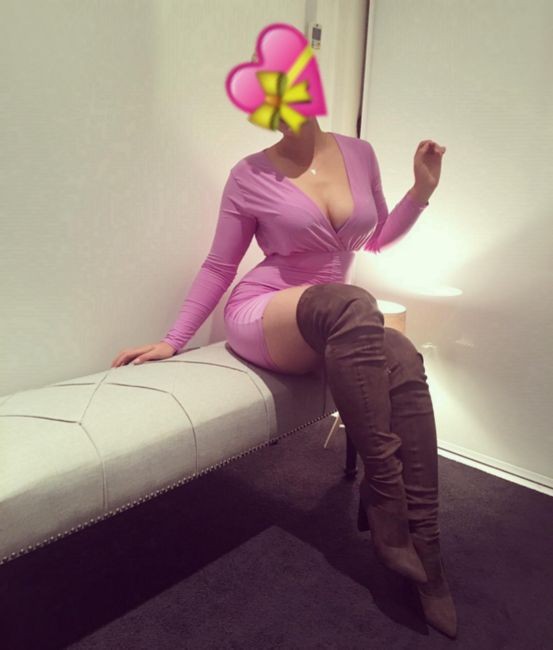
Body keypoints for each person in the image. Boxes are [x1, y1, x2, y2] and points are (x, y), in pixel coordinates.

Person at [110, 117, 456, 638]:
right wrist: (173, 340)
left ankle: (427, 547)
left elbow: (377, 239)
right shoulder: (249, 174)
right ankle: (385, 496)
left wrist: (421, 192)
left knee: (404, 357)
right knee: (353, 303)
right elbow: (219, 266)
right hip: (267, 313)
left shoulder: (360, 153)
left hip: (338, 319)